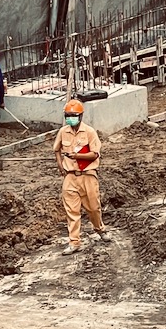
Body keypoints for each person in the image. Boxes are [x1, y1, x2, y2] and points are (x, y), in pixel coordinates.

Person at [54, 98, 108, 255]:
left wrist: (77, 156)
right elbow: (56, 149)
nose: (70, 118)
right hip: (70, 176)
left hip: (88, 175)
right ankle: (74, 241)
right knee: (72, 210)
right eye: (67, 115)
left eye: (73, 115)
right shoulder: (63, 132)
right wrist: (60, 165)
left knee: (93, 208)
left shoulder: (90, 132)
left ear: (80, 116)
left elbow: (94, 154)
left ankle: (100, 229)